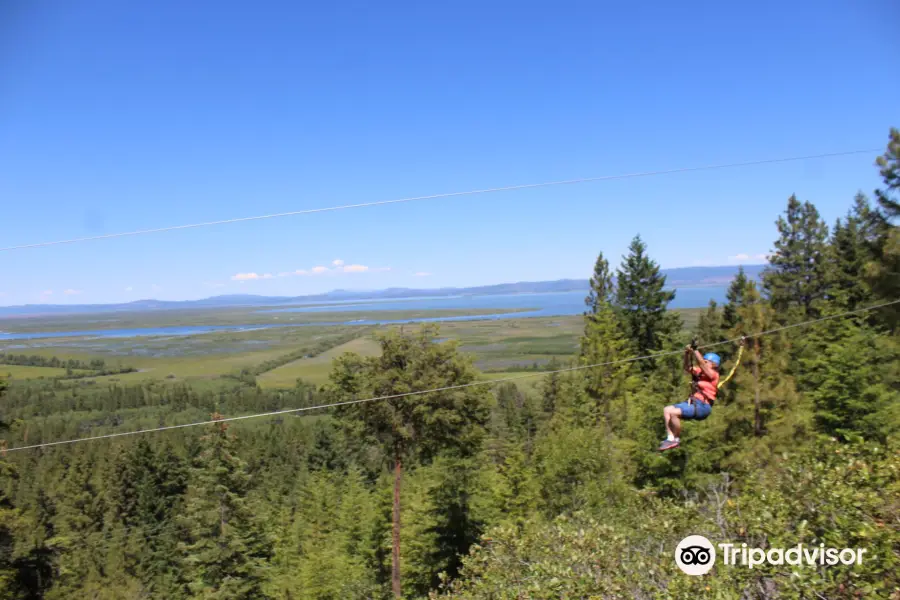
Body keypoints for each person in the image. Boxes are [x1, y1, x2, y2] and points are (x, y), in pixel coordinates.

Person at [658, 345, 721, 451]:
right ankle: (670, 438)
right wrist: (687, 353)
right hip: (694, 403)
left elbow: (701, 364)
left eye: (706, 362)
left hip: (703, 406)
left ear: (713, 364)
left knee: (674, 413)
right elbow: (687, 367)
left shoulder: (713, 375)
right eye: (704, 361)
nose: (703, 363)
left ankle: (676, 440)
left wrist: (695, 350)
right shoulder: (700, 372)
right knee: (667, 410)